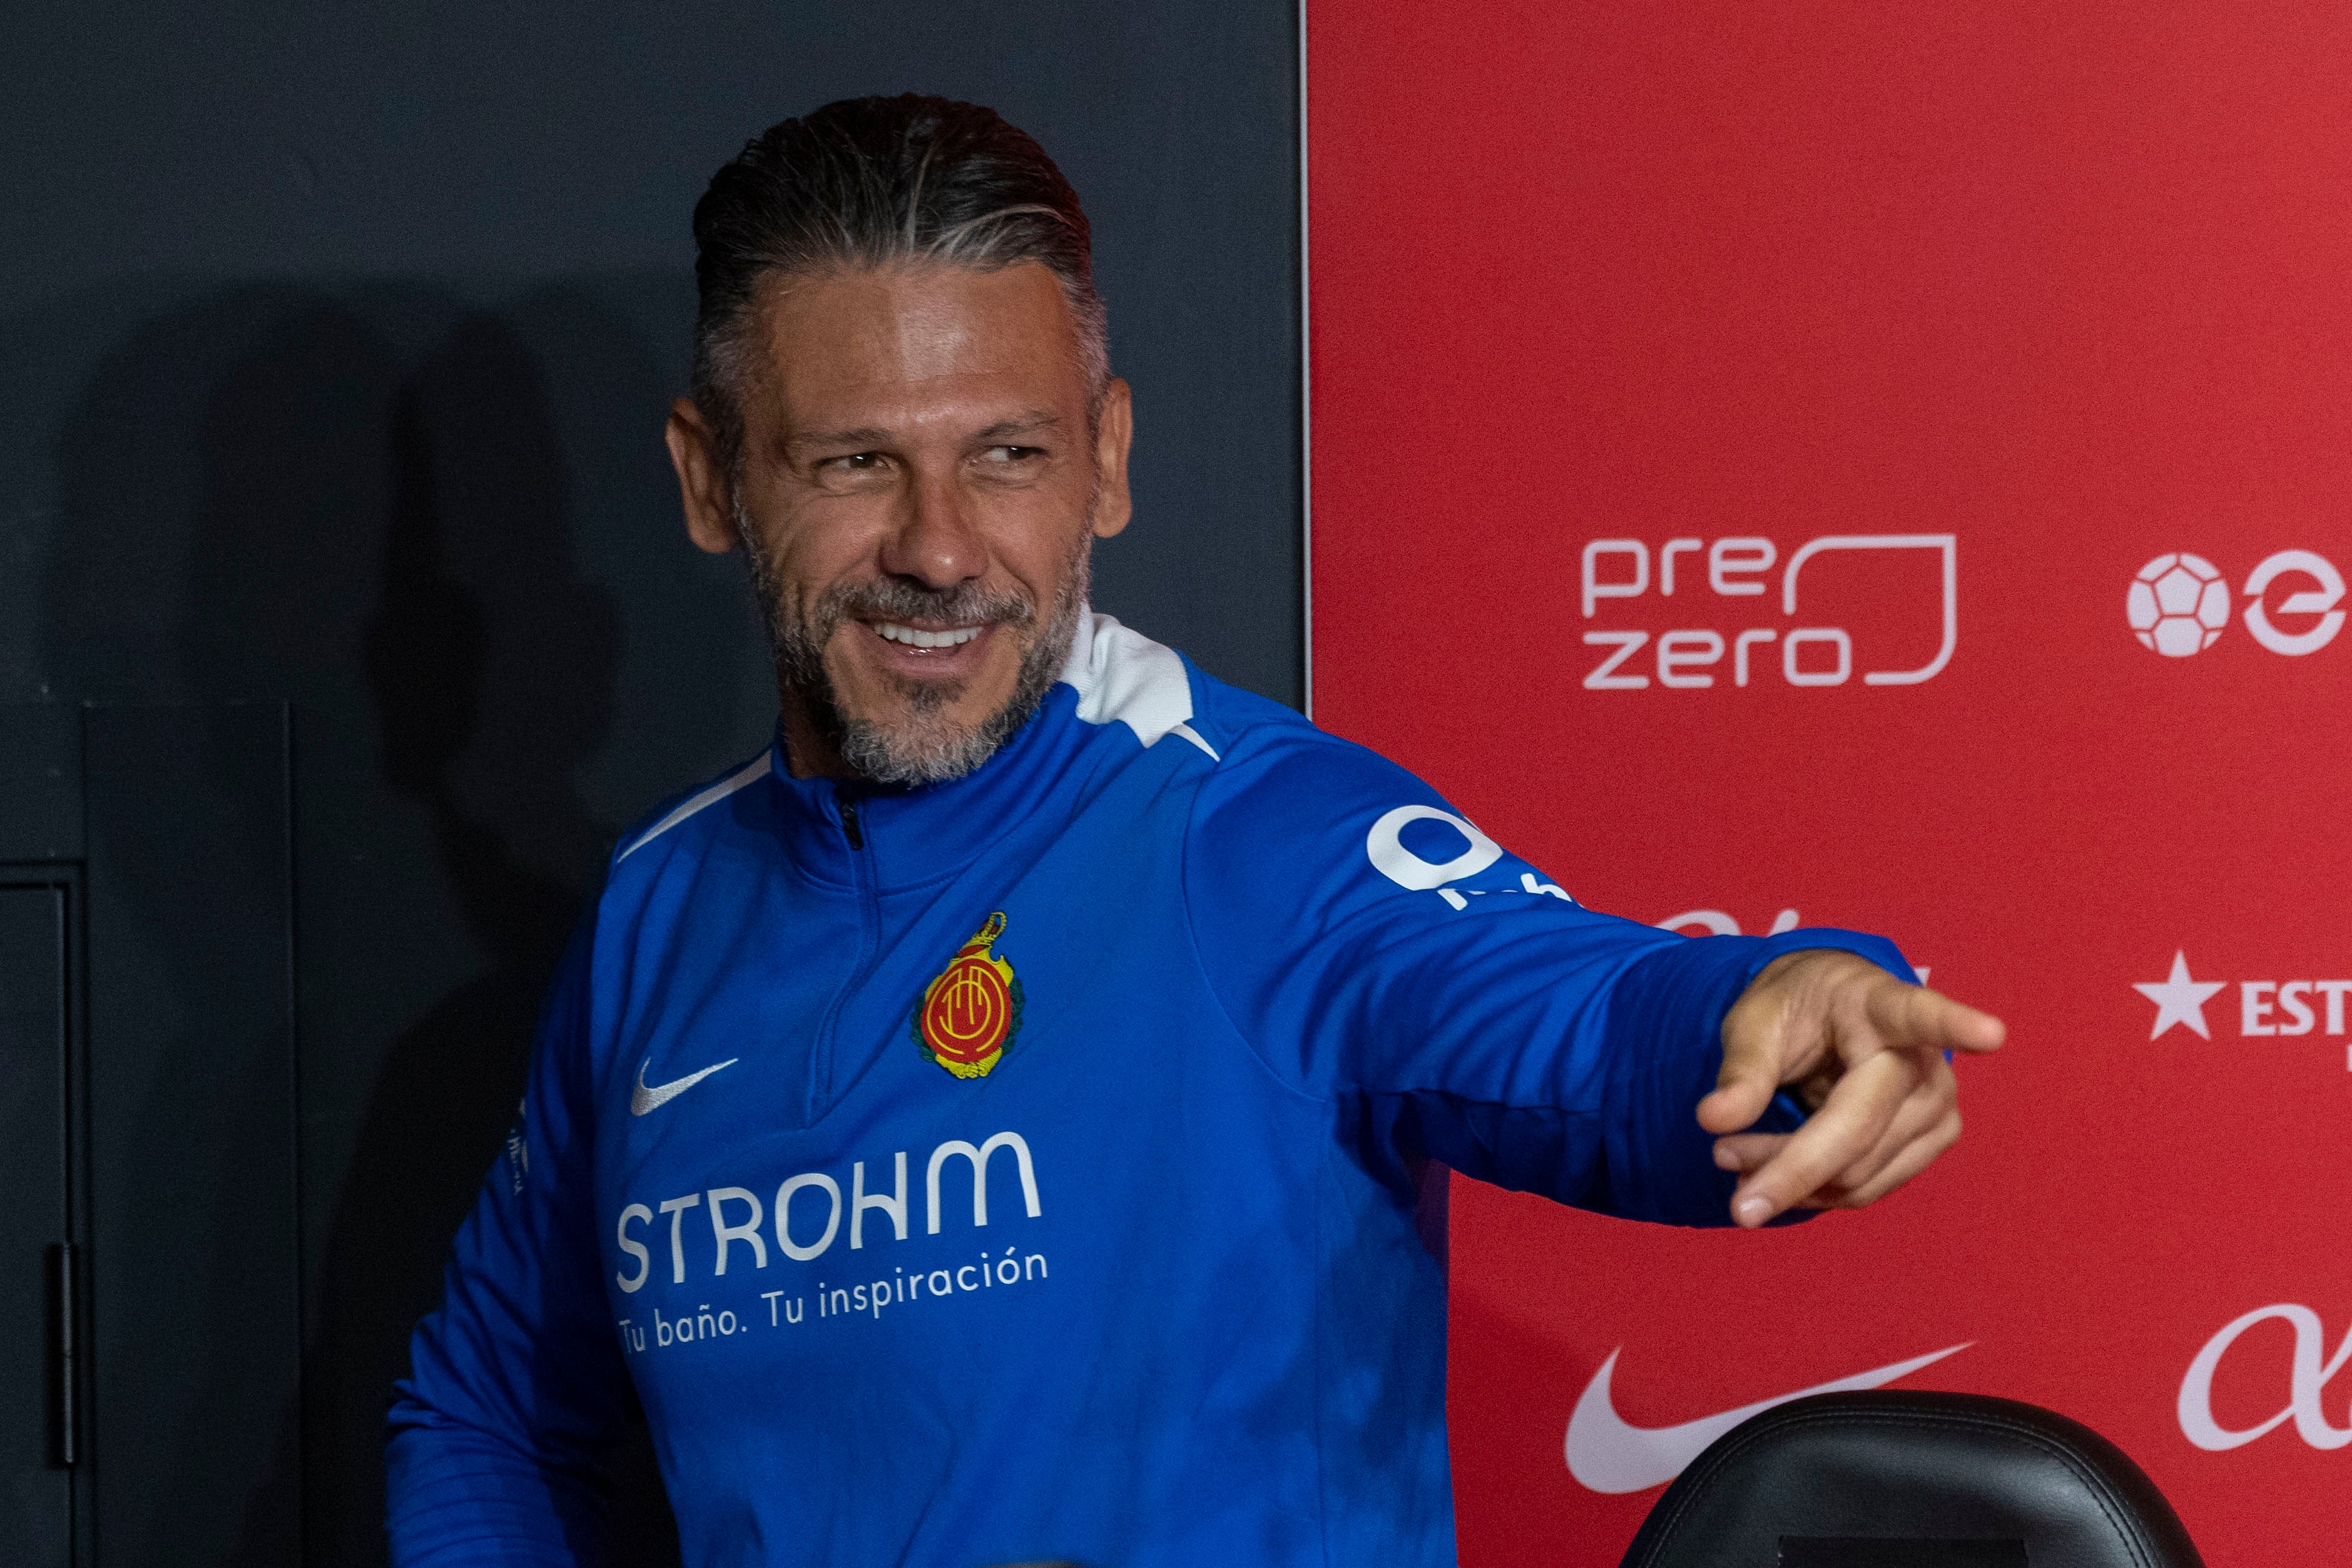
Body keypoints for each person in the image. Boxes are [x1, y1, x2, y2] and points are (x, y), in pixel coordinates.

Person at [385, 94, 2003, 1568]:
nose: (941, 547)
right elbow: (496, 1412)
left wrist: (1790, 1008)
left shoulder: (1250, 834)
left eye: (1008, 455)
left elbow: (1571, 1005)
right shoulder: (659, 915)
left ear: (1108, 462)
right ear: (711, 479)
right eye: (855, 462)